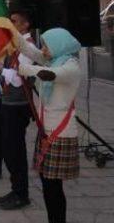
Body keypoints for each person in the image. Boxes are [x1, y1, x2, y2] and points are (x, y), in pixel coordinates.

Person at [17, 28, 81, 223]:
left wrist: (24, 69)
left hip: (60, 134)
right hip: (47, 131)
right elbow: (29, 51)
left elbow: (49, 75)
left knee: (54, 186)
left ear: (59, 45)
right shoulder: (55, 59)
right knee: (47, 183)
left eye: (46, 45)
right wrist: (10, 32)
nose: (43, 50)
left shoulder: (70, 66)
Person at [0, 11, 35, 210]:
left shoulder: (29, 48)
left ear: (25, 25)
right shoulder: (15, 46)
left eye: (14, 22)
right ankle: (15, 188)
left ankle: (22, 193)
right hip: (8, 103)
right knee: (9, 150)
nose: (11, 25)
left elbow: (20, 79)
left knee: (16, 151)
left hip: (18, 106)